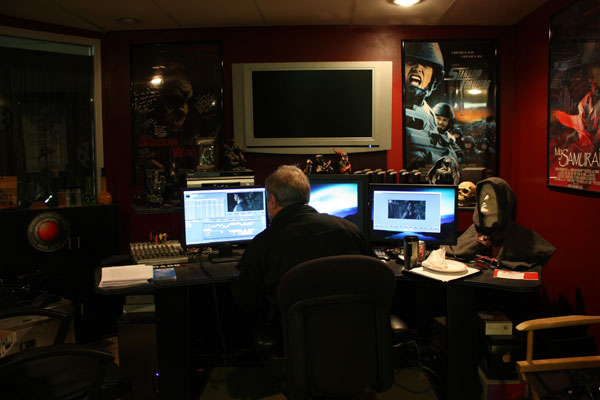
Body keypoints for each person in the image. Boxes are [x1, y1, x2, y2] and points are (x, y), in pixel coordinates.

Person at [231, 165, 376, 340]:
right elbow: (374, 274)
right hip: (352, 334)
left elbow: (246, 301)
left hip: (291, 338)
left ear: (272, 200)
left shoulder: (263, 243)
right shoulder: (349, 230)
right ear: (306, 196)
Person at [446, 177, 555, 270]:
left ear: (504, 201)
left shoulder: (522, 238)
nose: (485, 199)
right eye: (483, 194)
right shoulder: (472, 233)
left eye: (491, 195)